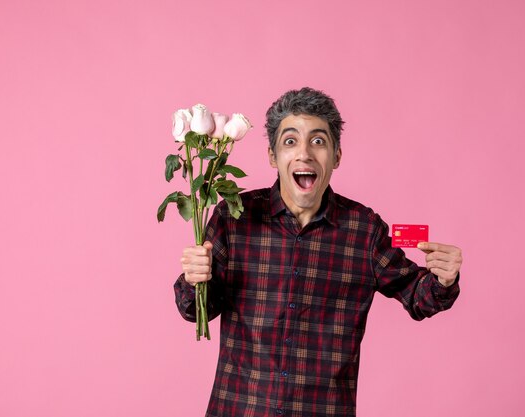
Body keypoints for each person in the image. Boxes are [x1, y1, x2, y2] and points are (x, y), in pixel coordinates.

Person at [174, 87, 462, 417]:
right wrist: (194, 279)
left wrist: (443, 279)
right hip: (239, 408)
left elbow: (417, 296)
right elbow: (199, 310)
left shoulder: (364, 230)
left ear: (336, 156)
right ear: (272, 156)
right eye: (290, 141)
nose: (305, 154)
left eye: (319, 141)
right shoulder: (234, 216)